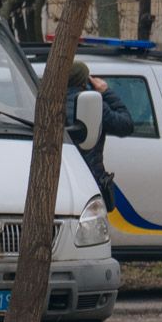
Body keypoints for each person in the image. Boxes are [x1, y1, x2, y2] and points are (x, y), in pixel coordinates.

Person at [65, 59, 134, 211]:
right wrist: (105, 91)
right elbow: (126, 125)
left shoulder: (49, 103)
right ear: (84, 81)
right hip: (90, 180)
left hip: (62, 180)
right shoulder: (95, 104)